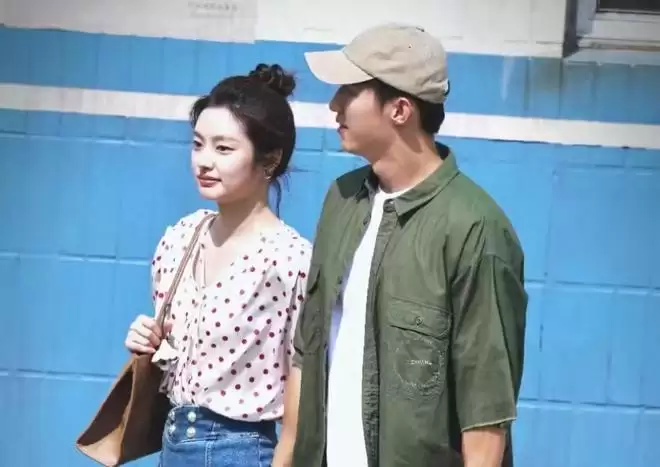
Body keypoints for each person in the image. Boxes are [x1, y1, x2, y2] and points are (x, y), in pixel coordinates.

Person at [283, 24, 528, 467]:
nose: (334, 104)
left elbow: (486, 411)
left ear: (399, 109)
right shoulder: (341, 200)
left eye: (349, 91)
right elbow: (306, 352)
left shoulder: (475, 229)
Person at [124, 63, 311, 467]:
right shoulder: (181, 238)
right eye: (198, 144)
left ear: (270, 159)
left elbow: (302, 395)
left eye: (223, 149)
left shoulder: (290, 259)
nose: (203, 161)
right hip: (172, 444)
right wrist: (148, 342)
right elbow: (177, 359)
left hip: (241, 450)